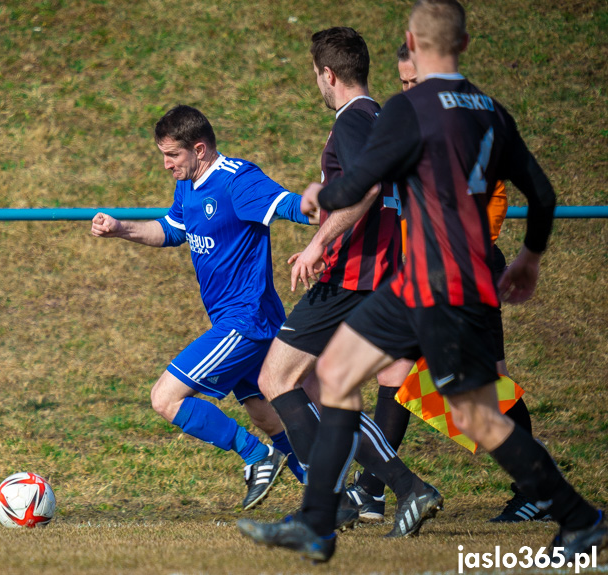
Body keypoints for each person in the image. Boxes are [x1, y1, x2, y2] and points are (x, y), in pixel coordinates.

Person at [238, 0, 607, 563]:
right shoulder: (490, 110)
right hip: (446, 277)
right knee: (335, 375)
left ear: (413, 41)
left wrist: (321, 204)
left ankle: (580, 519)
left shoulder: (411, 108)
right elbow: (544, 194)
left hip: (437, 282)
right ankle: (321, 519)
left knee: (474, 416)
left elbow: (364, 182)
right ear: (461, 44)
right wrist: (529, 258)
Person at [346, 42, 547, 525]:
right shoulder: (413, 123)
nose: (410, 91)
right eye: (404, 83)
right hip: (424, 272)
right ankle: (373, 489)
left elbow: (505, 195)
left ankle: (540, 490)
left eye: (416, 81)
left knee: (485, 385)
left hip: (466, 268)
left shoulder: (470, 122)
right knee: (394, 370)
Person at [257, 26, 440, 536]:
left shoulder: (352, 121)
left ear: (329, 74)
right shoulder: (385, 117)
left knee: (276, 379)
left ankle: (385, 492)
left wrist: (319, 245)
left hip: (350, 278)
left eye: (316, 74)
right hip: (378, 273)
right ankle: (358, 499)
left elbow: (368, 186)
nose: (316, 82)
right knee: (321, 388)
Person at [91, 105, 311, 510]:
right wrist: (121, 229)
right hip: (237, 321)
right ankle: (330, 497)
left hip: (246, 321)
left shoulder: (237, 181)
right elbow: (173, 229)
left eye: (172, 155)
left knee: (165, 398)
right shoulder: (189, 185)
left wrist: (331, 207)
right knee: (268, 415)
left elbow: (291, 206)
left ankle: (255, 455)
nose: (165, 164)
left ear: (200, 148)